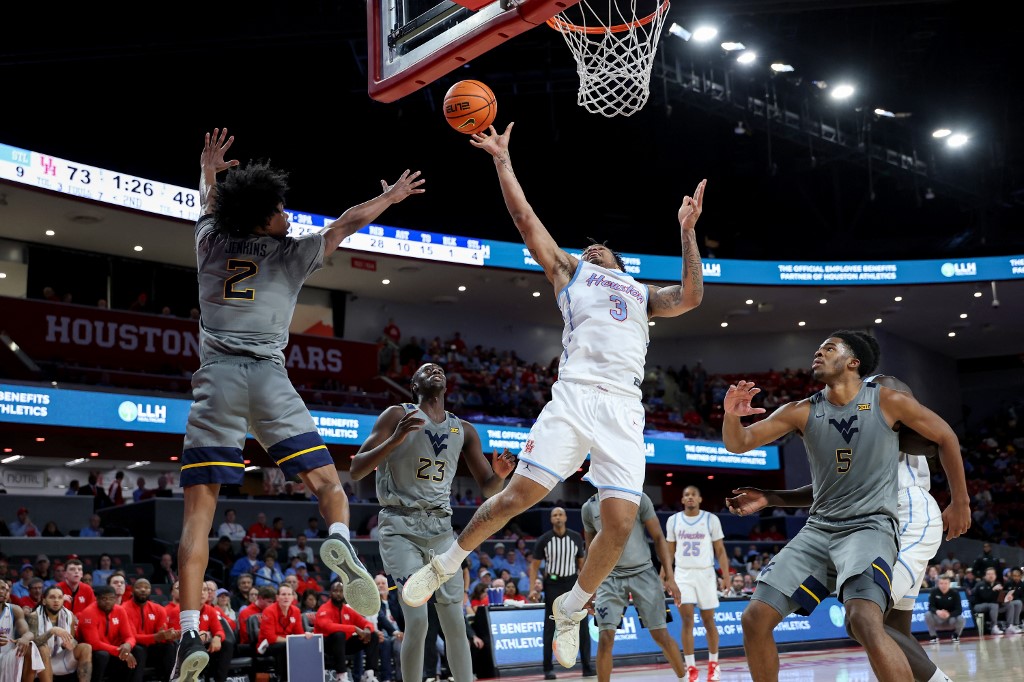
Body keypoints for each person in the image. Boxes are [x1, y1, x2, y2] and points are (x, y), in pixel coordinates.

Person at [402, 122, 706, 673]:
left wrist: (686, 231)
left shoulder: (640, 294)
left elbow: (691, 296)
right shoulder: (572, 274)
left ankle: (571, 607)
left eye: (602, 245)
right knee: (519, 496)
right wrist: (501, 160)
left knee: (619, 523)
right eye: (588, 245)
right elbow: (525, 221)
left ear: (618, 260)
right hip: (574, 399)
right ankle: (446, 564)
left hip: (623, 408)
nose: (593, 246)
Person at [172, 127, 423, 682]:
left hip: (215, 381)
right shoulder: (291, 254)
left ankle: (189, 626)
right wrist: (390, 197)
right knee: (331, 486)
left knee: (199, 513)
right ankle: (337, 541)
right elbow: (347, 223)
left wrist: (210, 168)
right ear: (263, 218)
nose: (288, 214)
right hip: (268, 379)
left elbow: (208, 202)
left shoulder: (209, 241)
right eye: (280, 209)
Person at [721, 331, 971, 682]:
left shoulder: (887, 399)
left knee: (865, 619)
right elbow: (740, 443)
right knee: (753, 618)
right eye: (819, 349)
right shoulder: (801, 410)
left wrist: (960, 500)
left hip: (869, 528)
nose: (818, 353)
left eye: (829, 349)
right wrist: (733, 416)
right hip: (819, 528)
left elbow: (945, 436)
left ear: (853, 363)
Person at [350, 361, 515, 682]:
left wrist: (500, 477)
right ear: (415, 385)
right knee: (418, 620)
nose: (434, 371)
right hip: (399, 527)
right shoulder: (397, 416)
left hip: (441, 530)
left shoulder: (464, 429)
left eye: (439, 369)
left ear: (446, 386)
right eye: (426, 370)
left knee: (455, 621)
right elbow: (356, 469)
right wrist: (396, 439)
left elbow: (489, 487)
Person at [582, 491, 686, 682]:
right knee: (605, 638)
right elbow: (591, 550)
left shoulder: (638, 497)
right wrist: (587, 588)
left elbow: (659, 537)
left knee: (660, 635)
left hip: (644, 573)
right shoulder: (588, 507)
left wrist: (670, 577)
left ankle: (683, 678)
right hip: (609, 576)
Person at [665, 485, 731, 682]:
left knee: (708, 620)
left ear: (700, 499)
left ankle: (713, 663)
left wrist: (726, 575)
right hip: (683, 574)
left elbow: (720, 550)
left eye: (693, 494)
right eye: (686, 495)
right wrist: (666, 576)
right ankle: (691, 667)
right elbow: (669, 551)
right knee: (686, 620)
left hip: (706, 573)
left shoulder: (711, 519)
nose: (690, 497)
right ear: (682, 500)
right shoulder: (673, 520)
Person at [526, 507, 592, 679]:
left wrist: (587, 589)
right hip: (552, 584)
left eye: (560, 514)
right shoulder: (544, 539)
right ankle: (548, 668)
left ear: (565, 517)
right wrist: (532, 587)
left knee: (582, 624)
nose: (558, 517)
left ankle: (587, 666)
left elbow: (582, 565)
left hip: (572, 583)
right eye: (554, 515)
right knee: (550, 626)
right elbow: (534, 566)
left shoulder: (576, 537)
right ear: (551, 519)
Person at [314, 581, 380, 682]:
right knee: (339, 634)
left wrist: (367, 629)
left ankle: (369, 674)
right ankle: (341, 675)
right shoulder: (324, 609)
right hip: (326, 645)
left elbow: (365, 622)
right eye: (336, 591)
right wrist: (354, 628)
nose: (338, 593)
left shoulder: (347, 609)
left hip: (344, 645)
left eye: (341, 591)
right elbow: (328, 627)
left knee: (373, 635)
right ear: (330, 593)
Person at [78, 584, 145, 682]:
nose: (108, 601)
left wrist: (128, 645)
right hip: (94, 652)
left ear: (115, 599)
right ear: (96, 599)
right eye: (104, 599)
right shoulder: (88, 613)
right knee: (102, 655)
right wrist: (120, 652)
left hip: (114, 650)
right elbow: (94, 643)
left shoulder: (120, 610)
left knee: (138, 650)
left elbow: (129, 636)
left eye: (111, 598)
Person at [28, 585, 94, 681]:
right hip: (39, 662)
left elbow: (72, 639)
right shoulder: (34, 616)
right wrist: (52, 631)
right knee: (43, 648)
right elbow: (32, 643)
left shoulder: (69, 615)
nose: (56, 600)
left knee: (86, 647)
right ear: (44, 601)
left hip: (60, 658)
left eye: (60, 597)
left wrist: (70, 643)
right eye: (52, 597)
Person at [122, 579, 176, 681]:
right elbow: (131, 637)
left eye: (146, 588)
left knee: (169, 646)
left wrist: (168, 636)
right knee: (139, 649)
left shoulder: (159, 609)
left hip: (152, 649)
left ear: (150, 590)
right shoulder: (124, 609)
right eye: (139, 587)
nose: (143, 590)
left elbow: (161, 635)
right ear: (132, 590)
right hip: (132, 649)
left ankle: (171, 679)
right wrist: (156, 637)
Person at [257, 583, 310, 681]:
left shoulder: (296, 611)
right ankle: (283, 678)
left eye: (289, 594)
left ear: (293, 597)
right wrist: (291, 641)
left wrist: (305, 636)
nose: (286, 597)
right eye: (283, 594)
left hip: (288, 644)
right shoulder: (269, 611)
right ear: (277, 597)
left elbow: (299, 633)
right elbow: (271, 638)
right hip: (266, 645)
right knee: (285, 647)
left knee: (303, 645)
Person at [0, 579, 47, 682]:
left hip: (8, 657)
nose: (1, 591)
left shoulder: (15, 610)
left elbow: (29, 633)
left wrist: (24, 638)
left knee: (29, 645)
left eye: (4, 589)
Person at [375, 575, 404, 682]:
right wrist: (394, 632)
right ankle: (386, 678)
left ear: (388, 585)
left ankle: (401, 678)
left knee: (401, 646)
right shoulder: (375, 602)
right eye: (378, 584)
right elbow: (381, 618)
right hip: (383, 634)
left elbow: (403, 616)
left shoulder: (395, 600)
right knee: (385, 643)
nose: (381, 586)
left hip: (398, 634)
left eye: (383, 583)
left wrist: (405, 631)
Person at [925, 576, 964, 643]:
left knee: (961, 618)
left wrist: (949, 614)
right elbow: (931, 607)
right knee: (927, 614)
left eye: (946, 583)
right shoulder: (934, 592)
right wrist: (938, 612)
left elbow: (959, 610)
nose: (943, 585)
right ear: (938, 584)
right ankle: (933, 636)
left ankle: (956, 635)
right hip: (938, 619)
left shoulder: (955, 593)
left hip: (951, 619)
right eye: (941, 583)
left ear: (949, 584)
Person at [972, 567, 1005, 634]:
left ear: (995, 576)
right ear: (985, 576)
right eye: (988, 574)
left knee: (1010, 605)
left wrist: (1004, 595)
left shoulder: (997, 584)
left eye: (992, 574)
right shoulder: (980, 585)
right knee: (994, 605)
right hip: (979, 605)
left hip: (993, 606)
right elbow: (986, 598)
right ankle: (994, 627)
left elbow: (1000, 600)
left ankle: (1010, 625)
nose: (991, 576)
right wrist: (993, 590)